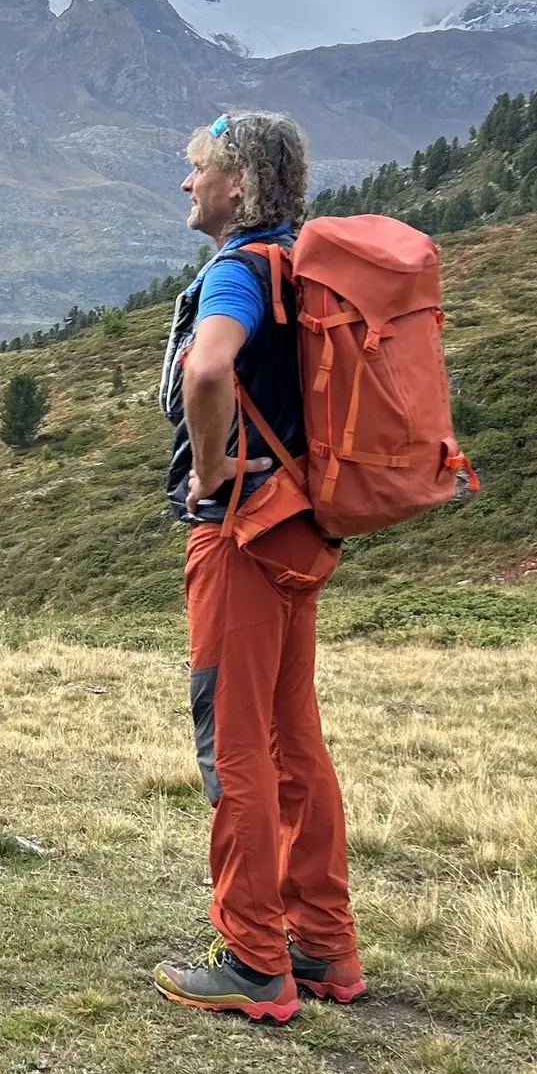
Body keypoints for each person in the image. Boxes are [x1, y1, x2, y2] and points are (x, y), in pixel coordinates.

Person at [151, 113, 363, 1021]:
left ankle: (252, 960)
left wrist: (207, 469)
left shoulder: (238, 271)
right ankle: (323, 946)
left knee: (234, 742)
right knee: (294, 741)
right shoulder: (302, 269)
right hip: (302, 532)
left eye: (197, 170)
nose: (186, 185)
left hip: (239, 533)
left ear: (237, 183)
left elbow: (209, 371)